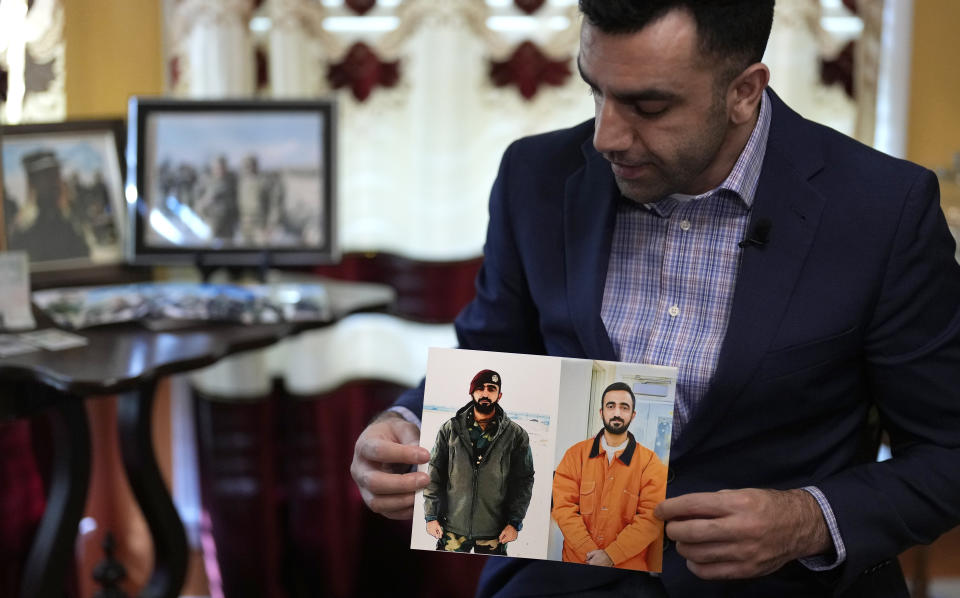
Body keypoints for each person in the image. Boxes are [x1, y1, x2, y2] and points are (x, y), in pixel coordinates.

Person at [350, 1, 960, 596]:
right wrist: (401, 425)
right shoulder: (531, 175)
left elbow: (947, 452)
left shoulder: (884, 209)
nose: (606, 135)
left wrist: (806, 520)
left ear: (745, 90)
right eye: (596, 90)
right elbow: (493, 357)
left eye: (648, 105)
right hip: (562, 576)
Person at [552, 382, 667, 571]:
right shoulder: (575, 455)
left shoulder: (650, 463)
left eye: (624, 407)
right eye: (611, 406)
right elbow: (563, 508)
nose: (617, 413)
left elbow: (651, 518)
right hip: (577, 562)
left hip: (627, 569)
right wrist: (590, 553)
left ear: (633, 415)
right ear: (601, 412)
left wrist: (612, 555)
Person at [423, 369, 535, 555]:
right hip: (451, 528)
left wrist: (514, 523)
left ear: (499, 395)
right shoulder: (449, 429)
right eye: (480, 388)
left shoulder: (516, 435)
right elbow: (434, 473)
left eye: (491, 389)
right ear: (472, 392)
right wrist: (431, 516)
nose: (485, 393)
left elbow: (523, 481)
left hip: (495, 532)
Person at [7, 150, 89, 262]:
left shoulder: (68, 218)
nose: (56, 182)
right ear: (33, 182)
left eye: (56, 174)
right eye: (48, 176)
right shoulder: (24, 229)